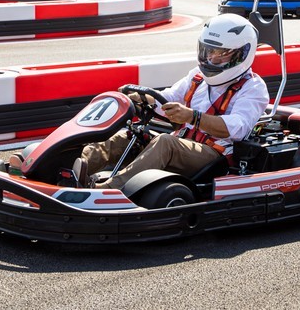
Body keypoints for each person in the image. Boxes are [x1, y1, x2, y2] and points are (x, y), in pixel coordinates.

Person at [78, 14, 270, 195]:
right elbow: (168, 98)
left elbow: (237, 128)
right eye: (208, 51)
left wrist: (192, 117)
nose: (211, 58)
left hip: (216, 154)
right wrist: (141, 98)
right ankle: (73, 167)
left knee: (165, 142)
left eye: (220, 54)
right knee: (128, 135)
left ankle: (110, 189)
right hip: (183, 143)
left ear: (241, 54)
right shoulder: (197, 76)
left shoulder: (253, 88)